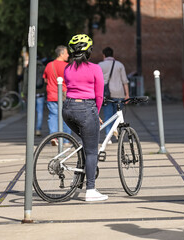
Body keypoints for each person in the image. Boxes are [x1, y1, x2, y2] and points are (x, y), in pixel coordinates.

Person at [62, 34, 108, 201]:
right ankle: (91, 190)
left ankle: (80, 172)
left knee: (84, 141)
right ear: (89, 51)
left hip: (67, 109)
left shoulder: (67, 68)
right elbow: (99, 95)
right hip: (86, 109)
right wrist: (96, 112)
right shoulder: (95, 68)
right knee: (91, 151)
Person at [98, 47, 129, 143]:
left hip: (106, 94)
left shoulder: (100, 65)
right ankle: (117, 131)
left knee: (108, 116)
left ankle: (108, 136)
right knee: (118, 115)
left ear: (104, 55)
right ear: (112, 54)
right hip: (119, 93)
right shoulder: (119, 65)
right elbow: (125, 81)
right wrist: (127, 94)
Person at [43, 45, 72, 144]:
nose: (68, 55)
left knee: (53, 116)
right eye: (67, 53)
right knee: (66, 116)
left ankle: (53, 137)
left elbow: (45, 79)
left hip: (51, 94)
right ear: (62, 53)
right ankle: (66, 140)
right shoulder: (66, 66)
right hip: (64, 95)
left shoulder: (49, 65)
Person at [22, 59, 46, 136]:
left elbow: (25, 82)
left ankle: (30, 131)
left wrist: (24, 93)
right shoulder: (43, 68)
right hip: (41, 93)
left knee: (30, 113)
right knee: (40, 112)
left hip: (31, 93)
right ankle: (38, 129)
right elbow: (45, 81)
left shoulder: (28, 69)